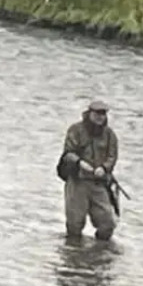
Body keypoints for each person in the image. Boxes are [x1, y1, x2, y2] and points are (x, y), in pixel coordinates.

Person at [57, 100, 119, 241]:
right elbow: (68, 153)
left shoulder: (109, 135)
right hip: (77, 182)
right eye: (97, 113)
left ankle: (101, 251)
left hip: (99, 183)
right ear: (89, 113)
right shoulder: (75, 130)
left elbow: (112, 156)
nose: (100, 117)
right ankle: (74, 255)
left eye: (103, 114)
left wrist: (104, 168)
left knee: (107, 224)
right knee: (75, 224)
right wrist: (80, 163)